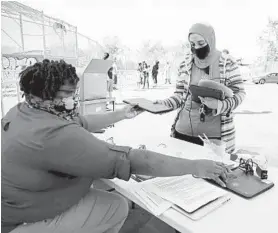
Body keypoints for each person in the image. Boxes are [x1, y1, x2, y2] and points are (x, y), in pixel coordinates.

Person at [2, 59, 233, 233]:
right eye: (70, 93)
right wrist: (196, 166)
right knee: (116, 206)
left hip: (15, 205)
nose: (75, 98)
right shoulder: (54, 135)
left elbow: (81, 121)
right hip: (24, 220)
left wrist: (122, 114)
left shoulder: (25, 110)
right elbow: (131, 160)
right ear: (47, 94)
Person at [155, 23, 246, 153]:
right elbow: (180, 95)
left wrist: (220, 104)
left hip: (214, 139)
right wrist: (163, 104)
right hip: (182, 133)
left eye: (201, 43)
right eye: (192, 44)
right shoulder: (185, 63)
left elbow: (240, 93)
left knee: (213, 171)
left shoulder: (228, 63)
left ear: (211, 40)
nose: (196, 47)